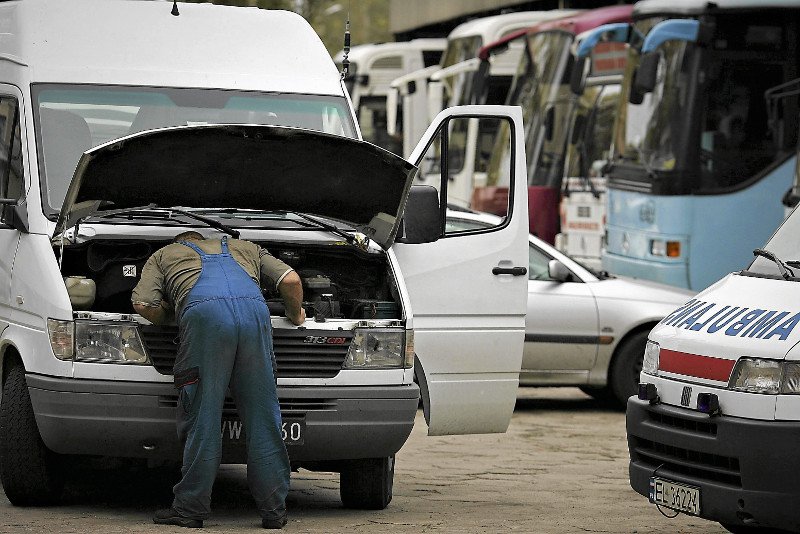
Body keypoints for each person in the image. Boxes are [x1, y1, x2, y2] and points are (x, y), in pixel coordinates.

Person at [131, 230, 305, 529]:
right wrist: (295, 313)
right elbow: (290, 280)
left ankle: (190, 509)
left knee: (203, 418)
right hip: (254, 314)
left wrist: (177, 316)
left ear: (181, 244)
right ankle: (274, 511)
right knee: (264, 418)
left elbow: (144, 304)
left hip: (204, 318)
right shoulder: (247, 247)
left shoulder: (164, 255)